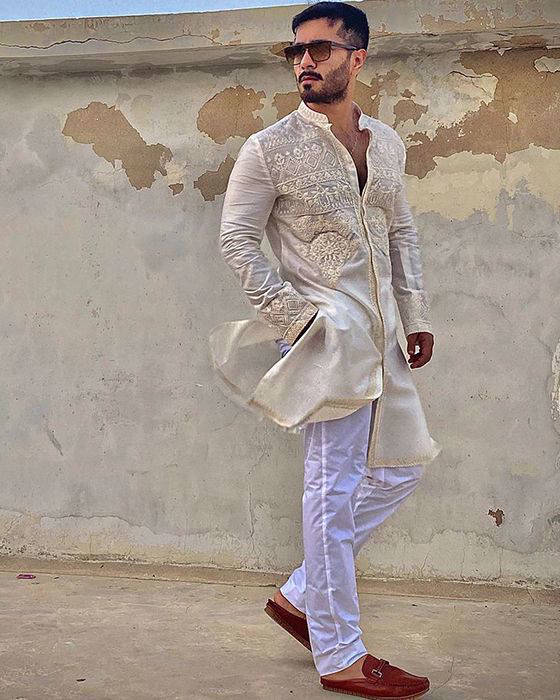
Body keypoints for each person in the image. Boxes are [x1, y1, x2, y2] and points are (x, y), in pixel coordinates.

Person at [208, 2, 442, 697]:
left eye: (320, 49)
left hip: (383, 333)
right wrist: (298, 319)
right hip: (326, 336)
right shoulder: (269, 147)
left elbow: (400, 232)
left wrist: (415, 313)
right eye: (297, 51)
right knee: (331, 486)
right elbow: (237, 241)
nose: (305, 61)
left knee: (399, 469)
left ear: (357, 58)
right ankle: (340, 654)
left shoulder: (387, 143)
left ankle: (301, 595)